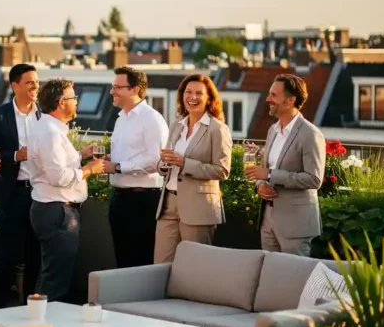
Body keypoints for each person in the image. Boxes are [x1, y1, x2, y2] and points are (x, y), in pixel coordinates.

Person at [27, 78, 105, 304]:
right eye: (73, 98)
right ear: (61, 102)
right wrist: (89, 169)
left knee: (50, 275)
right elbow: (58, 177)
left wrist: (80, 155)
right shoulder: (51, 133)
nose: (77, 102)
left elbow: (54, 164)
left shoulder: (49, 129)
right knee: (55, 281)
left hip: (52, 210)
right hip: (57, 212)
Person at [0, 63, 42, 308]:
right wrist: (16, 156)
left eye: (37, 82)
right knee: (6, 254)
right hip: (10, 195)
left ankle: (32, 308)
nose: (35, 87)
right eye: (29, 82)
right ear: (15, 86)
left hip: (39, 194)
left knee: (36, 254)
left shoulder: (44, 115)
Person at [245, 73, 325, 257]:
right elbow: (266, 171)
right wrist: (260, 186)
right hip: (268, 219)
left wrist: (270, 175)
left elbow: (313, 179)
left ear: (290, 100)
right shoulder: (273, 130)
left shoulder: (310, 134)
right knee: (270, 274)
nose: (267, 99)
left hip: (295, 224)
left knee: (294, 277)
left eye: (273, 95)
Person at [155, 74, 232, 262]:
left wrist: (184, 163)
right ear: (182, 96)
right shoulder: (176, 126)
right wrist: (164, 163)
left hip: (198, 207)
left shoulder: (218, 129)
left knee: (195, 266)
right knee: (160, 263)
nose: (193, 97)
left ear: (209, 98)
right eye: (188, 92)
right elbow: (165, 165)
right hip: (168, 204)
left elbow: (222, 170)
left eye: (199, 93)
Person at [104, 66, 169, 267]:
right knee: (122, 259)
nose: (112, 92)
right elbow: (129, 156)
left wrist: (118, 167)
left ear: (134, 89)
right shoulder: (121, 118)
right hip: (120, 199)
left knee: (140, 260)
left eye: (117, 87)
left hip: (142, 201)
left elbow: (156, 160)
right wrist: (111, 160)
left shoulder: (152, 119)